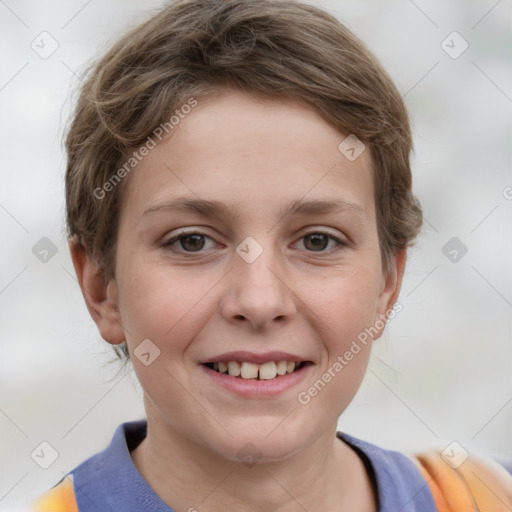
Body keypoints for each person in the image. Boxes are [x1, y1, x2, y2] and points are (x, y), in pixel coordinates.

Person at [34, 0, 512, 510]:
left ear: (387, 284)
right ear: (102, 289)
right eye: (192, 241)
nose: (260, 301)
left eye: (317, 241)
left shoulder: (487, 496)